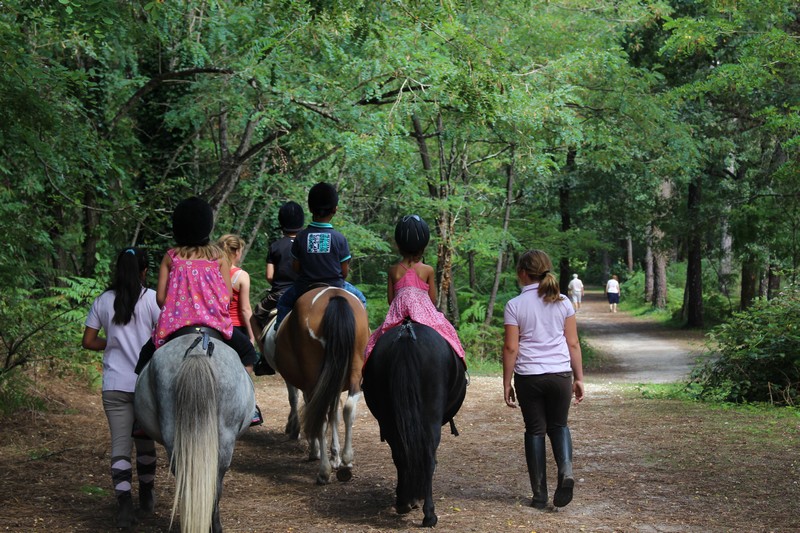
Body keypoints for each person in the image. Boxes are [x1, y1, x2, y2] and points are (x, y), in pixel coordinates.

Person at [135, 197, 261, 424]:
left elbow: (161, 298)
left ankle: (141, 418)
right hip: (215, 327)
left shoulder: (171, 256)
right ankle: (249, 410)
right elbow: (225, 297)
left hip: (175, 328)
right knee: (249, 356)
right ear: (207, 226)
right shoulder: (218, 257)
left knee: (144, 361)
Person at [82, 248, 160, 528]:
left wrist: (112, 343)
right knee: (145, 441)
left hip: (115, 384)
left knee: (120, 445)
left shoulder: (103, 300)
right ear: (144, 271)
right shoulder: (152, 299)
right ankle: (147, 497)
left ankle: (125, 507)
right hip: (145, 385)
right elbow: (163, 337)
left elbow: (89, 341)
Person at [502, 249, 584, 510]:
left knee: (535, 430)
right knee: (559, 425)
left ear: (523, 273)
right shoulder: (563, 302)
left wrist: (507, 382)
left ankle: (539, 495)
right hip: (560, 374)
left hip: (530, 377)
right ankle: (566, 470)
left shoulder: (515, 305)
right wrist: (579, 377)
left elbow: (511, 348)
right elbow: (573, 342)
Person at [363, 214, 465, 364]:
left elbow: (391, 300)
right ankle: (462, 369)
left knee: (374, 342)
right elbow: (432, 300)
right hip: (424, 315)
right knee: (448, 333)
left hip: (398, 316)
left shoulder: (393, 270)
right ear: (423, 245)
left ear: (399, 245)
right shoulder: (427, 270)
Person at [274, 182, 366, 329]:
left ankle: (279, 330)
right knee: (361, 299)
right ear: (335, 209)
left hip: (305, 286)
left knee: (284, 302)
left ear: (310, 208)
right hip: (336, 285)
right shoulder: (339, 238)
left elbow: (296, 267)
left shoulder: (301, 237)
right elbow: (344, 272)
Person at [250, 201, 304, 355]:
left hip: (280, 294)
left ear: (281, 222)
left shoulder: (275, 246)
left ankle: (264, 357)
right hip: (304, 291)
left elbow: (269, 276)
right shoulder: (305, 244)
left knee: (254, 318)